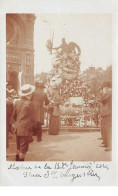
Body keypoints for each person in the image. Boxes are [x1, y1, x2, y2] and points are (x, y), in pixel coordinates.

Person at [12, 84, 35, 161]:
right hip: (25, 130)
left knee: (18, 148)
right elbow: (33, 118)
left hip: (18, 128)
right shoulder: (30, 104)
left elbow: (14, 116)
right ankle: (20, 166)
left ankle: (16, 165)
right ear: (29, 94)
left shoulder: (17, 102)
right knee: (23, 150)